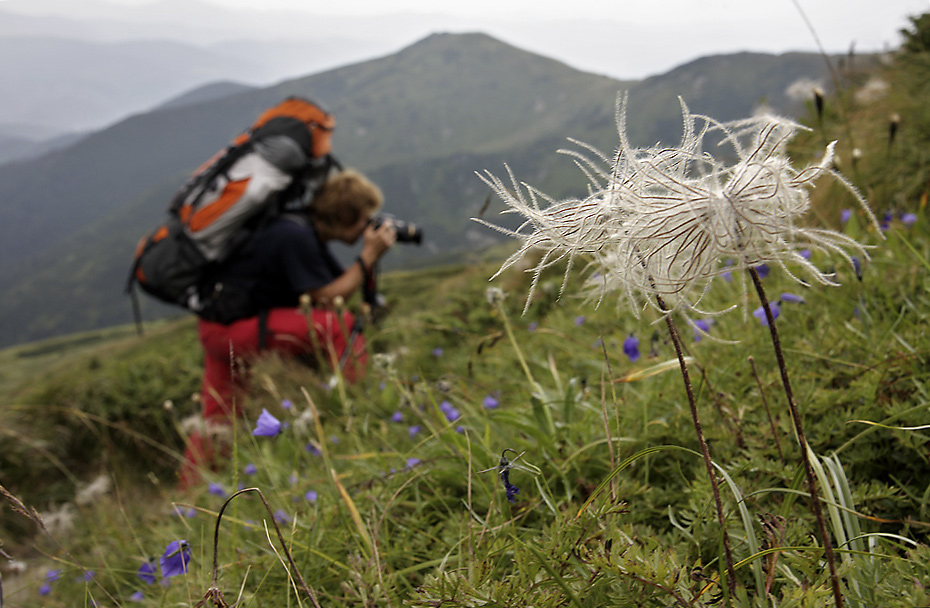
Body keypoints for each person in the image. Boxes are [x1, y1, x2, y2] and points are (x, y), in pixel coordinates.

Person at [180, 169, 396, 488]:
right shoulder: (294, 235)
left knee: (219, 417)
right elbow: (327, 298)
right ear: (347, 216)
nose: (369, 226)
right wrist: (368, 256)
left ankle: (188, 497)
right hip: (236, 329)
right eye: (365, 218)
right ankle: (358, 407)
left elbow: (329, 288)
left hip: (216, 327)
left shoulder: (298, 228)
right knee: (341, 326)